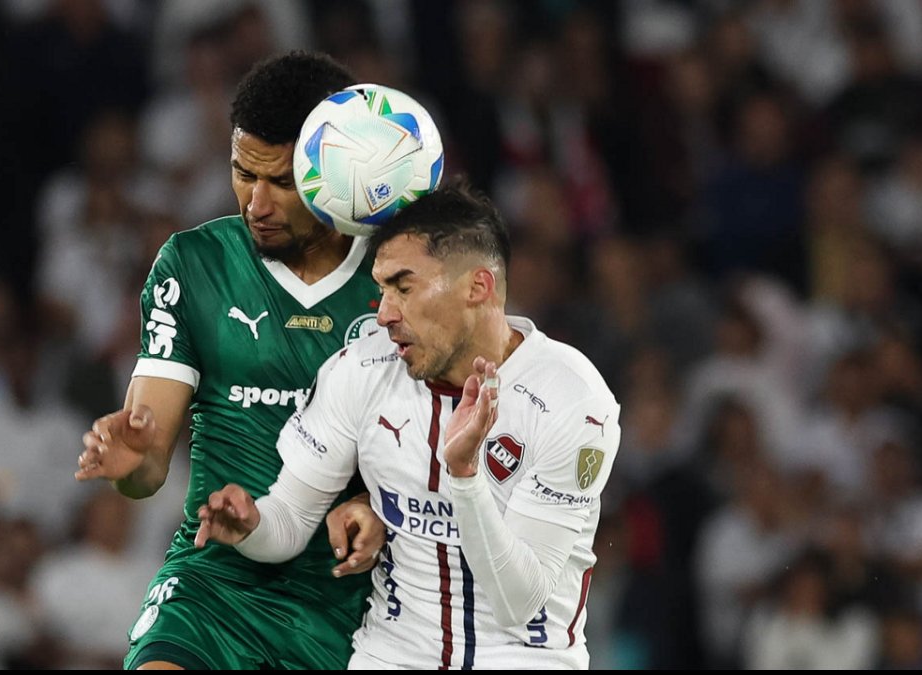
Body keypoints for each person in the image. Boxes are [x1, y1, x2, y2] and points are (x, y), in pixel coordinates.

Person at [196, 182, 623, 669]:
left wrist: (463, 478)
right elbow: (290, 521)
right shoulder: (361, 369)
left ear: (477, 287)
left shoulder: (571, 400)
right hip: (392, 655)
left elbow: (518, 602)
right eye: (381, 289)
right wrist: (253, 526)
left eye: (404, 287)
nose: (384, 314)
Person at [74, 51, 386, 670]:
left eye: (282, 182)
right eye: (243, 173)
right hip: (216, 583)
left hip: (356, 602)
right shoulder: (195, 265)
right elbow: (147, 466)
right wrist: (132, 461)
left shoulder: (397, 278)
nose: (256, 203)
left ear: (340, 171)